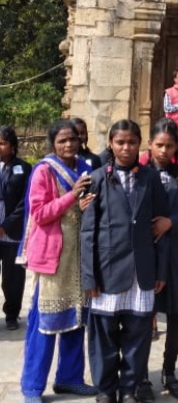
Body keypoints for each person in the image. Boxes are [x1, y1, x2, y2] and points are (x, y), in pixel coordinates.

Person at [81, 120, 170, 403]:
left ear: (139, 144)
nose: (126, 147)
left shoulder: (150, 178)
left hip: (141, 273)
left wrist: (161, 270)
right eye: (120, 142)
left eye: (131, 142)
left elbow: (161, 226)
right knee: (103, 337)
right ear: (110, 144)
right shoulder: (97, 179)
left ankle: (129, 388)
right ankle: (106, 390)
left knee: (137, 337)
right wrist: (89, 276)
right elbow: (87, 232)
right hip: (106, 271)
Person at [19, 120, 97, 403]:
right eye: (62, 140)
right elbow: (39, 213)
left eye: (73, 139)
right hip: (52, 256)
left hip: (78, 256)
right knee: (44, 323)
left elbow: (92, 206)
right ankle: (32, 387)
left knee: (76, 320)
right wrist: (72, 196)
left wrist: (86, 205)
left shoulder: (86, 168)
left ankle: (69, 379)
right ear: (53, 143)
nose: (68, 144)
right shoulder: (44, 170)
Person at [137, 119, 178, 402]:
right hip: (146, 258)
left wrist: (171, 223)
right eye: (159, 145)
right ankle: (140, 377)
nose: (164, 151)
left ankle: (170, 372)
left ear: (177, 147)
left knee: (176, 318)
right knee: (141, 320)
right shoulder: (139, 174)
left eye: (170, 146)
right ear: (150, 144)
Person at [0, 126, 32, 330]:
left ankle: (12, 314)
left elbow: (25, 201)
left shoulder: (24, 168)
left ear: (12, 146)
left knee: (12, 277)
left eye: (2, 143)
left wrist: (5, 226)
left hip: (11, 230)